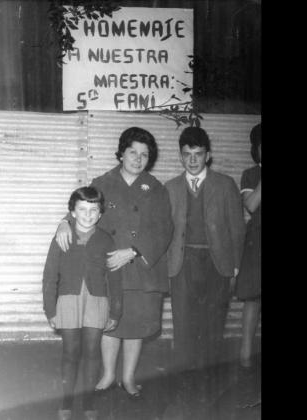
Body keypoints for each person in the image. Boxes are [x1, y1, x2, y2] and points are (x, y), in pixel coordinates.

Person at [56, 127, 173, 401]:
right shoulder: (102, 182)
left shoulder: (157, 189)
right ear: (121, 153)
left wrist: (133, 251)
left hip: (142, 268)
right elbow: (81, 207)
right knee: (110, 323)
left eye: (144, 154)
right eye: (132, 151)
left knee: (136, 325)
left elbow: (164, 228)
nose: (138, 158)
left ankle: (128, 376)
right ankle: (108, 374)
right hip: (109, 267)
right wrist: (64, 222)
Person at [164, 126, 246, 406]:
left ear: (208, 155)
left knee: (212, 327)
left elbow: (237, 228)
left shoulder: (225, 184)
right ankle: (185, 385)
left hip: (216, 264)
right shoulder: (171, 187)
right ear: (180, 156)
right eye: (187, 155)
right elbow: (163, 231)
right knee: (184, 326)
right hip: (182, 263)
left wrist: (235, 266)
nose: (193, 160)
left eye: (198, 154)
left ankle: (209, 385)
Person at [42, 187, 124, 420]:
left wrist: (116, 311)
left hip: (97, 301)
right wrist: (50, 309)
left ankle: (89, 403)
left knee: (92, 352)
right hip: (68, 301)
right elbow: (49, 276)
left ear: (100, 213)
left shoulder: (106, 239)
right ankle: (66, 401)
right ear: (73, 213)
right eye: (82, 210)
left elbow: (115, 277)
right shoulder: (61, 237)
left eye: (93, 210)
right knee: (70, 352)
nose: (88, 215)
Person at [236, 123, 262, 369]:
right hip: (257, 245)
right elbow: (251, 205)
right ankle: (244, 358)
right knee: (253, 300)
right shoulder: (250, 174)